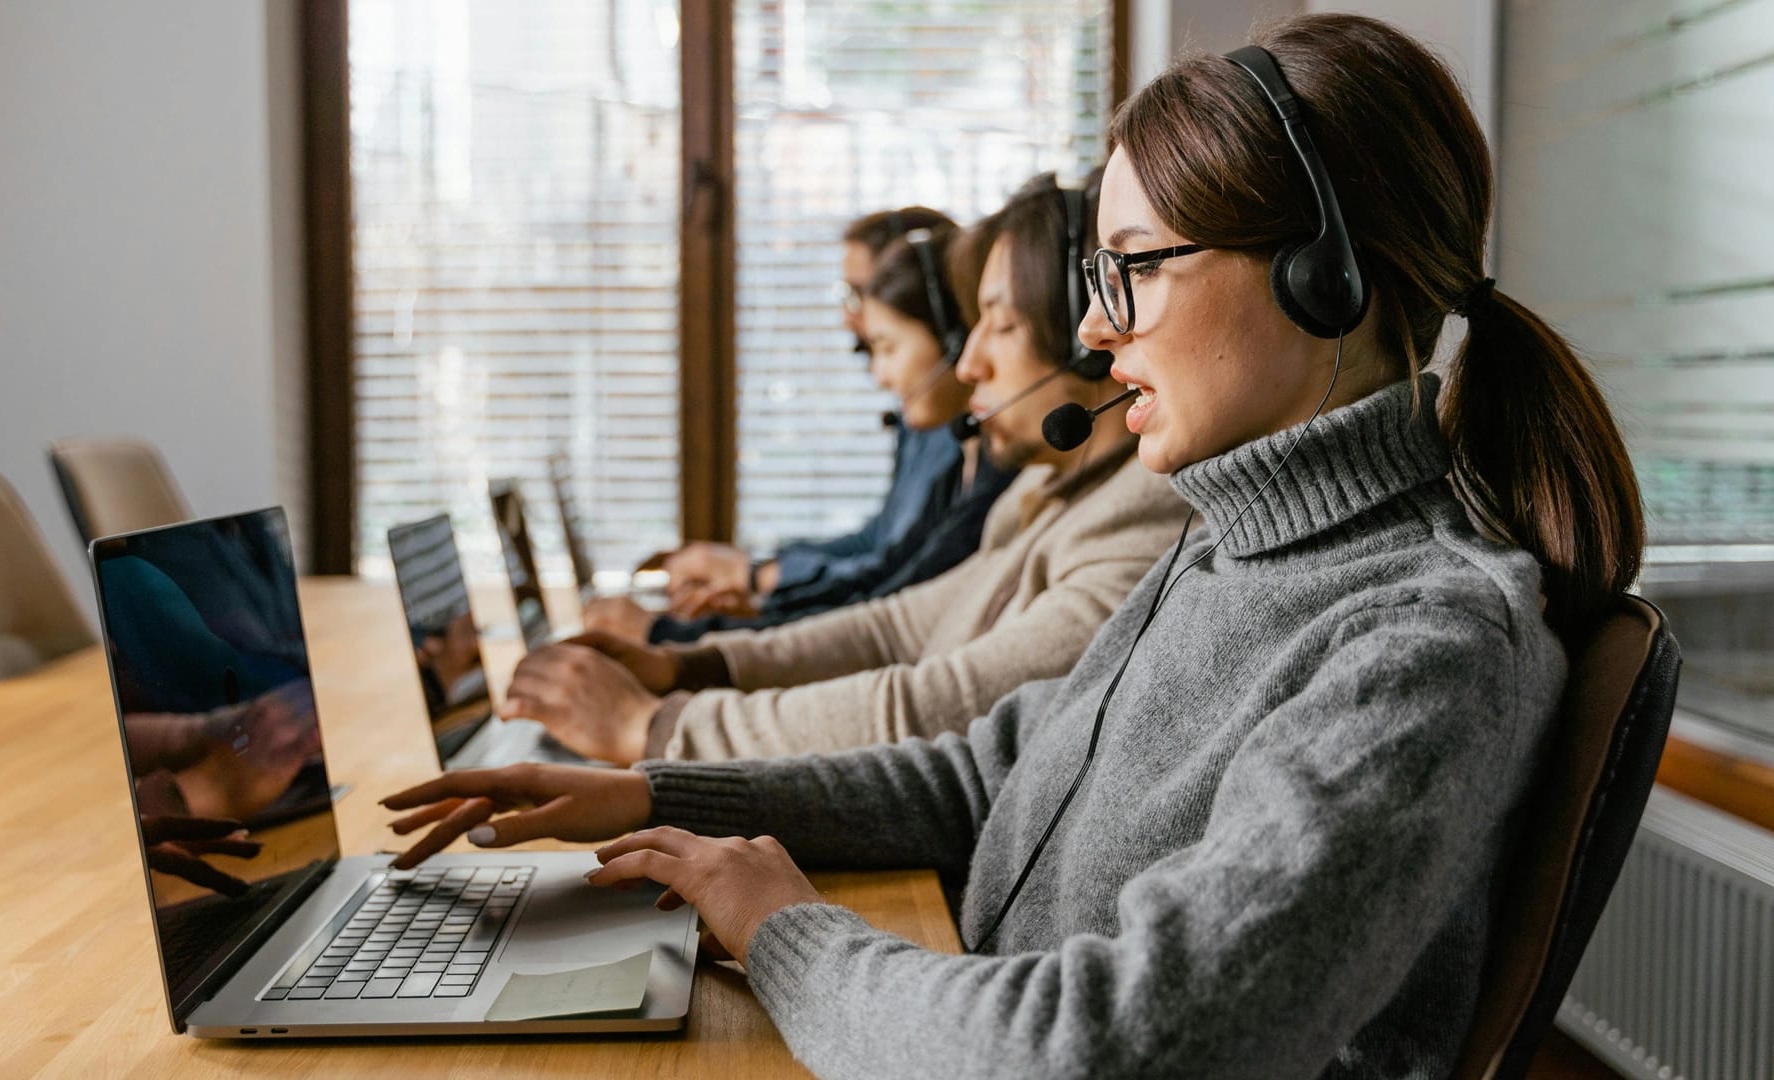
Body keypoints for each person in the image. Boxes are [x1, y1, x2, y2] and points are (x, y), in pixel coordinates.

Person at [384, 14, 1646, 1074]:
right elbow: (990, 775)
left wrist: (789, 936)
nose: (1094, 338)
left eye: (1135, 270)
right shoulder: (1227, 548)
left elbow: (1117, 1049)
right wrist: (665, 799)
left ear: (1328, 277)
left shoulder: (1426, 641)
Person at [499, 174, 1189, 764]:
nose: (970, 362)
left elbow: (933, 703)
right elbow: (890, 628)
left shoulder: (1137, 519)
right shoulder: (1047, 489)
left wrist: (651, 725)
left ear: (1088, 345)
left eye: (999, 326)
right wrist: (690, 663)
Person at [588, 222, 1017, 644]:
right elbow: (886, 572)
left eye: (860, 291)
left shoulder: (984, 462)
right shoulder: (956, 448)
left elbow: (887, 607)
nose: (853, 316)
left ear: (950, 331)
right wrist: (760, 602)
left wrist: (704, 626)